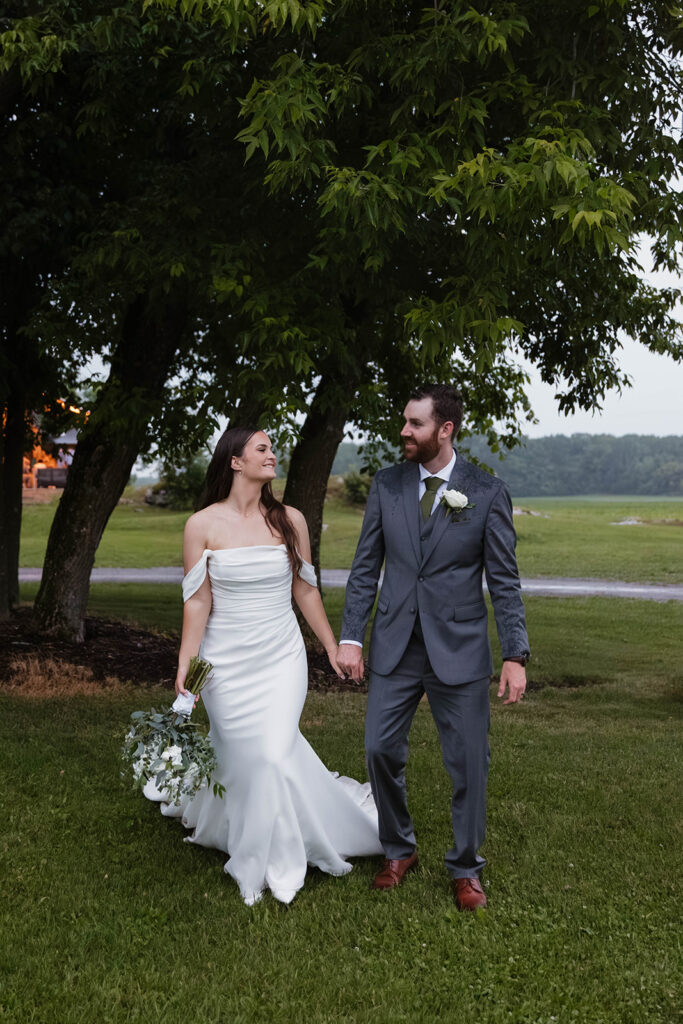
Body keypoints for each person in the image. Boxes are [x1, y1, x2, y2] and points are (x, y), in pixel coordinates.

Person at [145, 426, 382, 906]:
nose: (273, 455)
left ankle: (274, 856)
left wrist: (332, 647)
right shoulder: (201, 525)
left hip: (280, 657)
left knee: (273, 751)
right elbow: (198, 604)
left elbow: (306, 590)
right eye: (262, 448)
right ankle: (252, 836)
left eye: (272, 448)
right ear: (235, 461)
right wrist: (187, 670)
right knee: (244, 755)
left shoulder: (289, 519)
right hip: (225, 663)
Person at [337, 384, 530, 911]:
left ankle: (466, 868)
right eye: (404, 421)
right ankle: (399, 848)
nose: (404, 431)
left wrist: (515, 654)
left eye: (415, 424)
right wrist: (351, 636)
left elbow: (505, 581)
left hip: (460, 649)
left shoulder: (486, 492)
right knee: (378, 749)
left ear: (444, 430)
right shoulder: (387, 485)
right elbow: (364, 569)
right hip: (396, 646)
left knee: (469, 763)